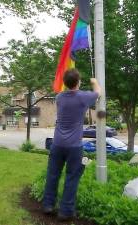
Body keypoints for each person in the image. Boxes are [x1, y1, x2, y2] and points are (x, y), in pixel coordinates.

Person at [42, 69, 101, 220]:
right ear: (79, 82)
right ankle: (65, 211)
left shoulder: (60, 97)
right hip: (74, 147)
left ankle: (48, 205)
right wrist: (94, 82)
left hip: (57, 144)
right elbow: (98, 92)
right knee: (72, 177)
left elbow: (71, 89)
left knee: (52, 174)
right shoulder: (83, 97)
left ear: (65, 83)